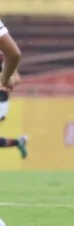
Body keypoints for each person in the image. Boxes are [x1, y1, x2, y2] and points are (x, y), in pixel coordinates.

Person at [0, 19, 27, 159]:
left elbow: (15, 79)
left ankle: (18, 142)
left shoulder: (5, 62)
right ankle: (18, 142)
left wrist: (3, 81)